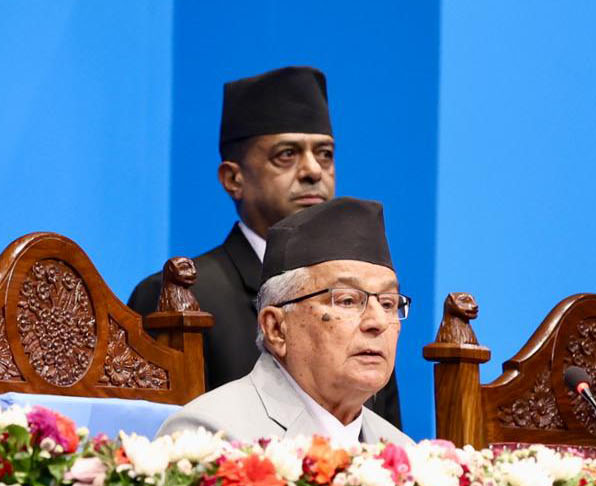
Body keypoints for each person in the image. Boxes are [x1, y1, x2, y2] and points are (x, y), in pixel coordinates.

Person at [127, 66, 401, 427]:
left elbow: (381, 441)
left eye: (325, 154)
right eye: (286, 155)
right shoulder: (182, 294)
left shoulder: (368, 307)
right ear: (233, 178)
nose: (313, 171)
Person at [159, 197, 416, 447]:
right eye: (347, 300)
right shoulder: (209, 437)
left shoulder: (403, 452)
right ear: (276, 329)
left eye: (388, 303)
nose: (378, 322)